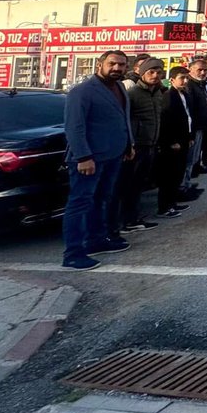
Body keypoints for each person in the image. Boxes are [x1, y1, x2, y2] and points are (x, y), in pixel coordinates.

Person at [61, 51, 135, 270]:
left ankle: (97, 240)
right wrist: (83, 156)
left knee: (102, 199)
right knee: (80, 203)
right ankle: (73, 253)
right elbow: (74, 126)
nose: (117, 68)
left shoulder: (120, 87)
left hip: (113, 155)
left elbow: (123, 117)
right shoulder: (82, 91)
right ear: (100, 64)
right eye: (112, 63)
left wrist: (129, 143)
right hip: (89, 159)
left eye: (121, 65)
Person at [121, 57, 169, 232]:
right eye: (151, 72)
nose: (155, 75)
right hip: (137, 146)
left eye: (159, 72)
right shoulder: (133, 93)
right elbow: (124, 120)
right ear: (142, 73)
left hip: (151, 144)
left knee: (140, 183)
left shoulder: (157, 92)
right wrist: (129, 144)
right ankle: (127, 221)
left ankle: (134, 217)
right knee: (130, 185)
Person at [157, 67, 195, 219]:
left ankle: (172, 202)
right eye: (181, 78)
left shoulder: (184, 94)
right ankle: (164, 207)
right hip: (173, 143)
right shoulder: (168, 96)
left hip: (184, 139)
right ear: (172, 79)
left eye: (187, 78)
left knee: (178, 173)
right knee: (169, 176)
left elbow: (188, 117)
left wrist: (190, 136)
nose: (185, 81)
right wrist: (170, 142)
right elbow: (165, 121)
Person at [180, 57, 207, 199]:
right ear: (190, 70)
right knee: (188, 159)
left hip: (200, 127)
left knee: (193, 158)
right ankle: (182, 188)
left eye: (205, 70)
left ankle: (186, 184)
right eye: (200, 70)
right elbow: (188, 110)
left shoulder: (200, 84)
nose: (203, 72)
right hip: (192, 129)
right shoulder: (190, 86)